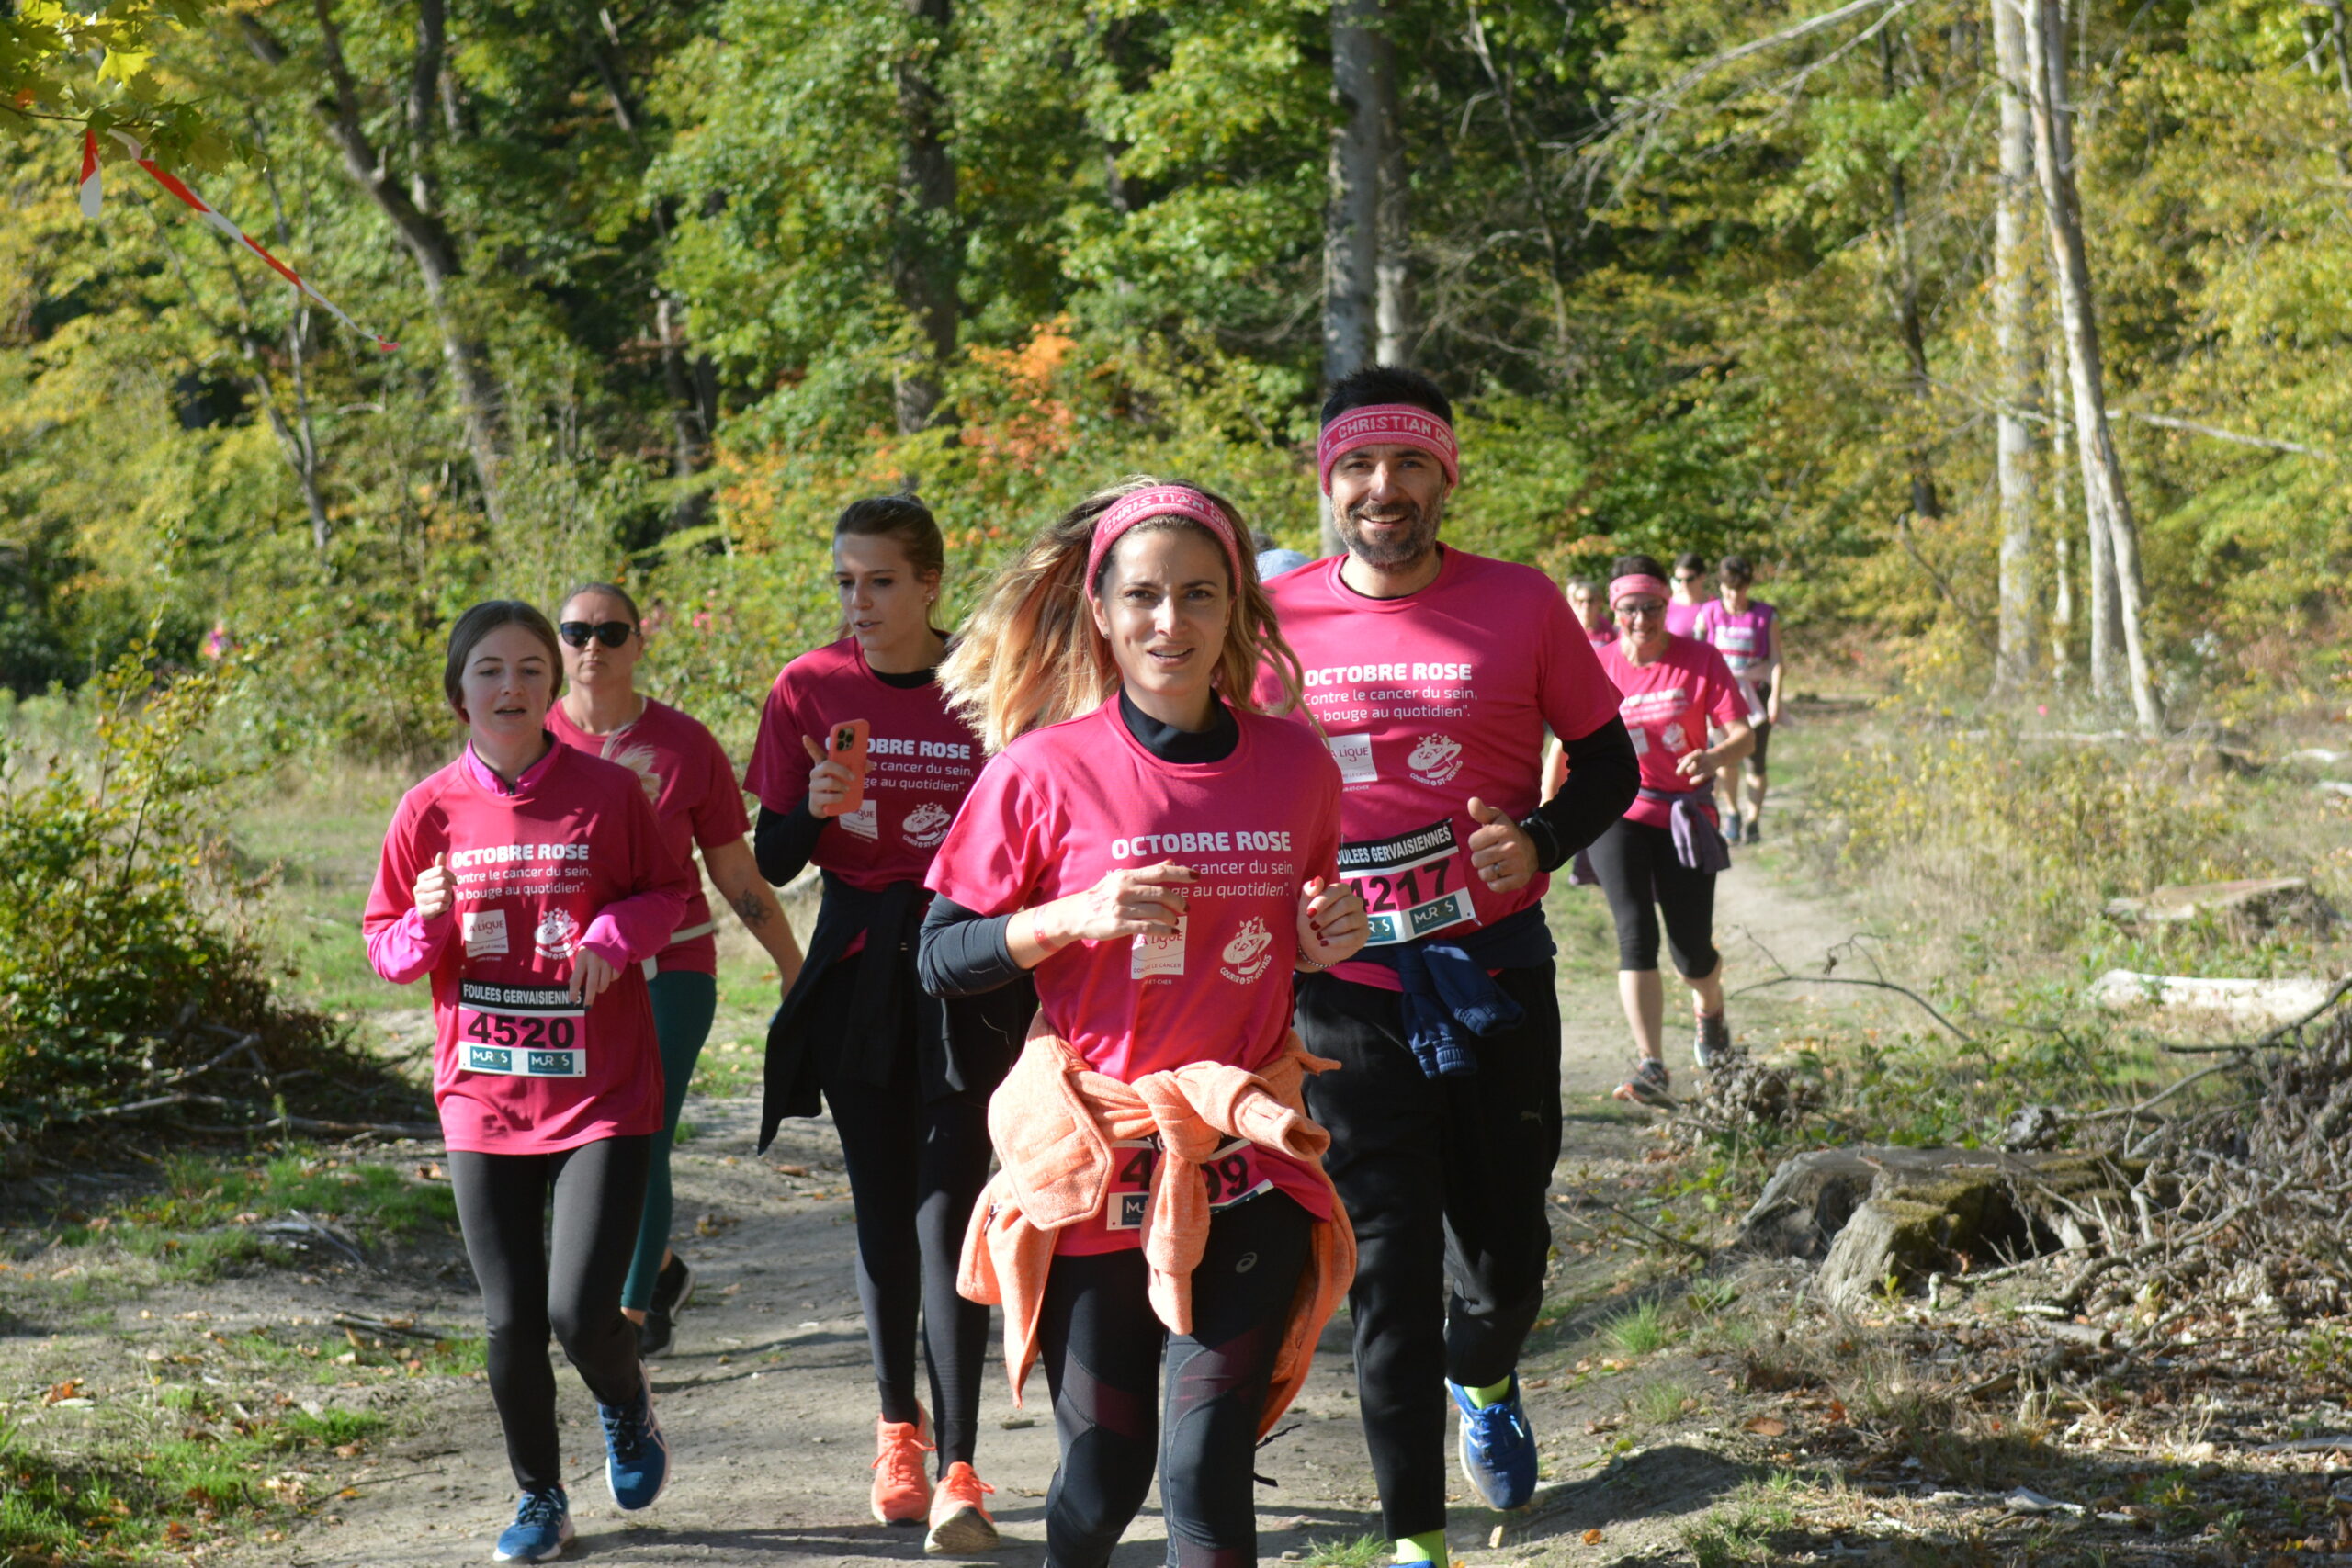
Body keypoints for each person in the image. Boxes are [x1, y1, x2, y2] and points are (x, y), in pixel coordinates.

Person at [916, 478, 1369, 1568]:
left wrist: (1325, 935)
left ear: (1235, 614)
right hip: (1100, 1158)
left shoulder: (1298, 764)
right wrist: (1070, 916)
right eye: (1145, 598)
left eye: (1198, 596)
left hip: (1241, 1148)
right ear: (1103, 611)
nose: (1171, 623)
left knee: (1206, 1479)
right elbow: (940, 956)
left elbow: (1297, 928)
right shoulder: (1041, 770)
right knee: (1106, 1479)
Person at [1259, 367, 1638, 1552]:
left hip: (1492, 966)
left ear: (1444, 476)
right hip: (1346, 982)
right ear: (1328, 481)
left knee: (1506, 1249)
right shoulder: (1272, 619)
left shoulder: (1521, 603)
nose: (1385, 488)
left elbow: (1612, 765)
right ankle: (1411, 1537)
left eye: (1409, 464)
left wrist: (1537, 842)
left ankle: (1486, 1371)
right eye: (1359, 467)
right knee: (1388, 1257)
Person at [363, 602, 696, 1562]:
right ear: (458, 691)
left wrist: (610, 935)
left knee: (577, 1314)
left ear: (553, 688)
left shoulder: (608, 792)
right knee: (509, 1320)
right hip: (484, 1094)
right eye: (489, 672)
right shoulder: (426, 809)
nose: (510, 687)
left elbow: (670, 890)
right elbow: (385, 947)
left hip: (602, 1092)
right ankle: (540, 1500)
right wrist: (424, 921)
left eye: (529, 671)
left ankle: (626, 1399)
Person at [742, 497, 1033, 1554]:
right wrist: (815, 804)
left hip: (966, 969)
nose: (857, 603)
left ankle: (960, 1467)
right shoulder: (808, 688)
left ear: (927, 586)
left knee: (952, 1213)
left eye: (878, 582)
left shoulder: (992, 685)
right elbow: (774, 859)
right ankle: (895, 1436)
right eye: (843, 582)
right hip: (860, 965)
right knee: (882, 1214)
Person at [546, 582, 807, 1359]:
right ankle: (659, 1268)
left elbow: (736, 873)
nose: (594, 645)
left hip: (672, 966)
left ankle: (627, 1323)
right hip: (570, 977)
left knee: (642, 1136)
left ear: (638, 642)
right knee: (576, 1148)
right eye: (577, 630)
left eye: (612, 631)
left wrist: (797, 968)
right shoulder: (535, 740)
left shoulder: (684, 746)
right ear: (557, 643)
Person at [1590, 557, 1753, 1108]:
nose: (1642, 619)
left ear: (1667, 607)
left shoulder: (1700, 660)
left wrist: (1714, 756)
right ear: (1615, 611)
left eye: (1652, 608)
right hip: (1619, 815)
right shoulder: (1599, 665)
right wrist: (1546, 810)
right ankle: (1651, 1066)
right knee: (1635, 936)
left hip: (1684, 817)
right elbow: (1563, 745)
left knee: (1691, 953)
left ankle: (1710, 1012)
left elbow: (1742, 735)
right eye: (1631, 609)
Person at [1691, 555, 1782, 845]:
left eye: (1739, 590)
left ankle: (1754, 820)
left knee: (1756, 762)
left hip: (1756, 695)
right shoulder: (1709, 613)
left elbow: (1777, 660)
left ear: (1748, 586)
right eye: (1728, 590)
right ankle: (1732, 813)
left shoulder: (1766, 615)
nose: (1734, 597)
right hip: (1720, 696)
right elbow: (1696, 659)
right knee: (1727, 757)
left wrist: (1776, 699)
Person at [1665, 551, 1709, 637]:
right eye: (1679, 580)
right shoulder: (1666, 607)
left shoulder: (1716, 605)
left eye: (1689, 579)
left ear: (1702, 576)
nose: (1683, 584)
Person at [1565, 577, 1612, 646]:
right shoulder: (1567, 629)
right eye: (1581, 601)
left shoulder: (1607, 629)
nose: (1586, 606)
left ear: (1600, 602)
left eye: (1591, 601)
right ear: (1574, 603)